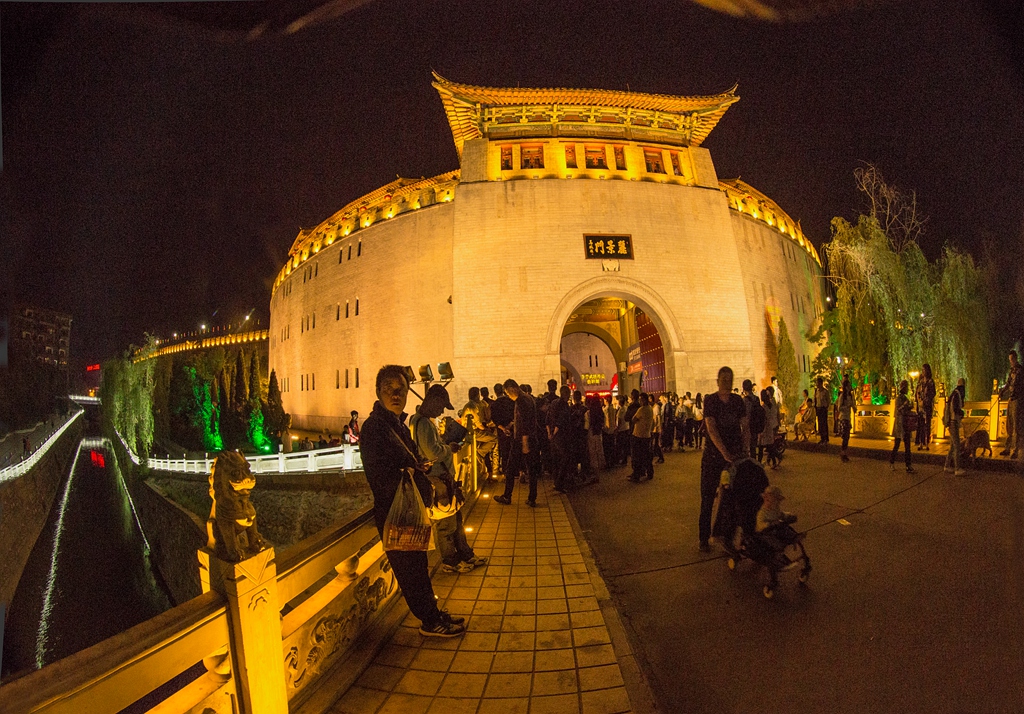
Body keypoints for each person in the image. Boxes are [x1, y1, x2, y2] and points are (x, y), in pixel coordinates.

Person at [360, 364, 465, 637]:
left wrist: (420, 468)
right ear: (378, 392)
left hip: (411, 510)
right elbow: (378, 474)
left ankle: (433, 613)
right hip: (396, 513)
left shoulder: (397, 424)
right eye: (389, 390)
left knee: (419, 567)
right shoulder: (374, 427)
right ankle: (429, 622)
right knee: (410, 572)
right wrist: (411, 472)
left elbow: (408, 460)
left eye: (401, 390)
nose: (396, 395)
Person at [410, 383, 487, 574]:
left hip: (444, 478)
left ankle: (465, 554)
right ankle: (450, 561)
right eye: (441, 406)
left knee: (456, 519)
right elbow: (432, 452)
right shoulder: (423, 423)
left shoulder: (420, 421)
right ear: (433, 400)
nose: (441, 411)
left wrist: (443, 441)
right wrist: (448, 448)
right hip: (438, 480)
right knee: (446, 524)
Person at [699, 368, 749, 552]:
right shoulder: (710, 400)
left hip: (733, 460)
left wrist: (746, 450)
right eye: (724, 378)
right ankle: (704, 538)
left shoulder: (738, 401)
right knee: (707, 498)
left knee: (731, 499)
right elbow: (711, 428)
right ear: (717, 380)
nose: (727, 381)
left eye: (730, 378)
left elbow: (745, 426)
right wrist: (723, 452)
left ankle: (726, 537)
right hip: (713, 458)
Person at [494, 379, 541, 506]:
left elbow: (526, 422)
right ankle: (532, 498)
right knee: (531, 469)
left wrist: (524, 443)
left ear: (512, 389)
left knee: (510, 469)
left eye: (508, 393)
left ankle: (507, 496)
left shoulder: (521, 401)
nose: (508, 396)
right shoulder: (528, 398)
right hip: (527, 438)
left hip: (522, 440)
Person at [546, 385, 574, 492]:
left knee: (555, 459)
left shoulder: (553, 403)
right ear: (566, 394)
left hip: (552, 436)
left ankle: (555, 481)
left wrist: (549, 433)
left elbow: (547, 420)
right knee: (565, 458)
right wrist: (554, 433)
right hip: (561, 436)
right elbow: (560, 422)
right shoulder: (564, 406)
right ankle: (559, 483)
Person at [999, 351, 1022, 458]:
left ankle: (1015, 450)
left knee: (1016, 426)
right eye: (1010, 360)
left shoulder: (1021, 370)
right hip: (1010, 399)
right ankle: (1007, 448)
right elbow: (1008, 383)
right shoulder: (1011, 370)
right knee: (1009, 424)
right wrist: (1002, 391)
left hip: (1017, 399)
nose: (1011, 362)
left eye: (1012, 359)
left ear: (1016, 358)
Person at [889, 380, 915, 473]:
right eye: (906, 387)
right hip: (900, 424)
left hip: (906, 424)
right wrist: (905, 406)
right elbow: (899, 410)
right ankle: (892, 462)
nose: (907, 389)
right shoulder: (899, 398)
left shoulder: (905, 398)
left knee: (907, 446)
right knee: (897, 444)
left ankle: (908, 465)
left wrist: (910, 407)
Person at [491, 383, 515, 479]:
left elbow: (494, 419)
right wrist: (509, 426)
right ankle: (515, 470)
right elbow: (515, 415)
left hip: (501, 431)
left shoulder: (494, 404)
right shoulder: (511, 401)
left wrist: (503, 428)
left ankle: (506, 472)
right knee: (513, 449)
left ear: (495, 392)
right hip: (512, 428)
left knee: (504, 451)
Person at [944, 378, 967, 476]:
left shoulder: (953, 393)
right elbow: (955, 408)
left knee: (952, 445)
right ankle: (957, 468)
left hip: (951, 422)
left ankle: (947, 466)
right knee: (957, 445)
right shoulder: (957, 394)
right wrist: (961, 413)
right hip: (953, 422)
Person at [629, 393, 654, 482]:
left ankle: (636, 475)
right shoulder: (650, 409)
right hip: (647, 435)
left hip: (638, 435)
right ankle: (649, 472)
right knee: (646, 456)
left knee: (637, 456)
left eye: (641, 399)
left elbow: (633, 419)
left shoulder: (642, 409)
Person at [915, 363, 937, 450]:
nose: (923, 372)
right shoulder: (920, 382)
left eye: (924, 370)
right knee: (920, 425)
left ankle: (927, 444)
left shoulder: (931, 382)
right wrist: (919, 400)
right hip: (920, 406)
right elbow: (917, 392)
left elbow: (933, 393)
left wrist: (926, 400)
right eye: (922, 370)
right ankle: (920, 443)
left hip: (927, 406)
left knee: (927, 425)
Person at [758, 388, 779, 468]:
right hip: (770, 427)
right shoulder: (772, 405)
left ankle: (759, 463)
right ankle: (773, 462)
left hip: (764, 428)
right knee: (770, 445)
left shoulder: (763, 407)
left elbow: (762, 419)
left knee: (761, 447)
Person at [584, 395, 606, 473]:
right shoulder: (601, 412)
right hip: (599, 433)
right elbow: (604, 424)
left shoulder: (588, 413)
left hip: (591, 433)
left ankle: (595, 470)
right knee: (599, 450)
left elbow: (586, 426)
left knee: (592, 452)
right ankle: (601, 467)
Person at [742, 379, 763, 459]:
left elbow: (746, 416)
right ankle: (756, 463)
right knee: (755, 445)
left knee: (749, 448)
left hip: (749, 426)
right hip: (756, 425)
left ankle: (752, 465)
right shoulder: (756, 398)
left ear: (743, 388)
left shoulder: (744, 400)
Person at [836, 379, 856, 462]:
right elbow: (839, 408)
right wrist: (847, 406)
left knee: (847, 437)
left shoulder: (850, 396)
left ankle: (844, 452)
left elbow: (853, 405)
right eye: (849, 385)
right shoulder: (842, 397)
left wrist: (854, 408)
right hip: (843, 418)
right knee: (845, 436)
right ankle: (843, 452)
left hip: (848, 418)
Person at [603, 396, 620, 465]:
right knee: (612, 446)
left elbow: (607, 420)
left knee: (607, 447)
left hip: (607, 430)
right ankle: (613, 461)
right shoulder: (613, 409)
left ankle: (608, 462)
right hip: (612, 429)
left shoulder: (606, 409)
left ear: (606, 401)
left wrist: (605, 428)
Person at [814, 377, 831, 444]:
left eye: (818, 383)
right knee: (820, 424)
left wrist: (826, 407)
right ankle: (822, 438)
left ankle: (826, 438)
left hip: (823, 409)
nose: (817, 384)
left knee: (824, 424)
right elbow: (815, 400)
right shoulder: (816, 391)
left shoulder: (825, 391)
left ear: (821, 383)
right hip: (818, 408)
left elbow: (828, 400)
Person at [615, 395, 632, 465]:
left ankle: (620, 459)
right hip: (627, 428)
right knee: (625, 445)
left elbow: (619, 421)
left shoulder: (620, 410)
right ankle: (625, 459)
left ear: (619, 403)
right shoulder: (626, 408)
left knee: (620, 445)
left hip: (621, 430)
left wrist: (617, 429)